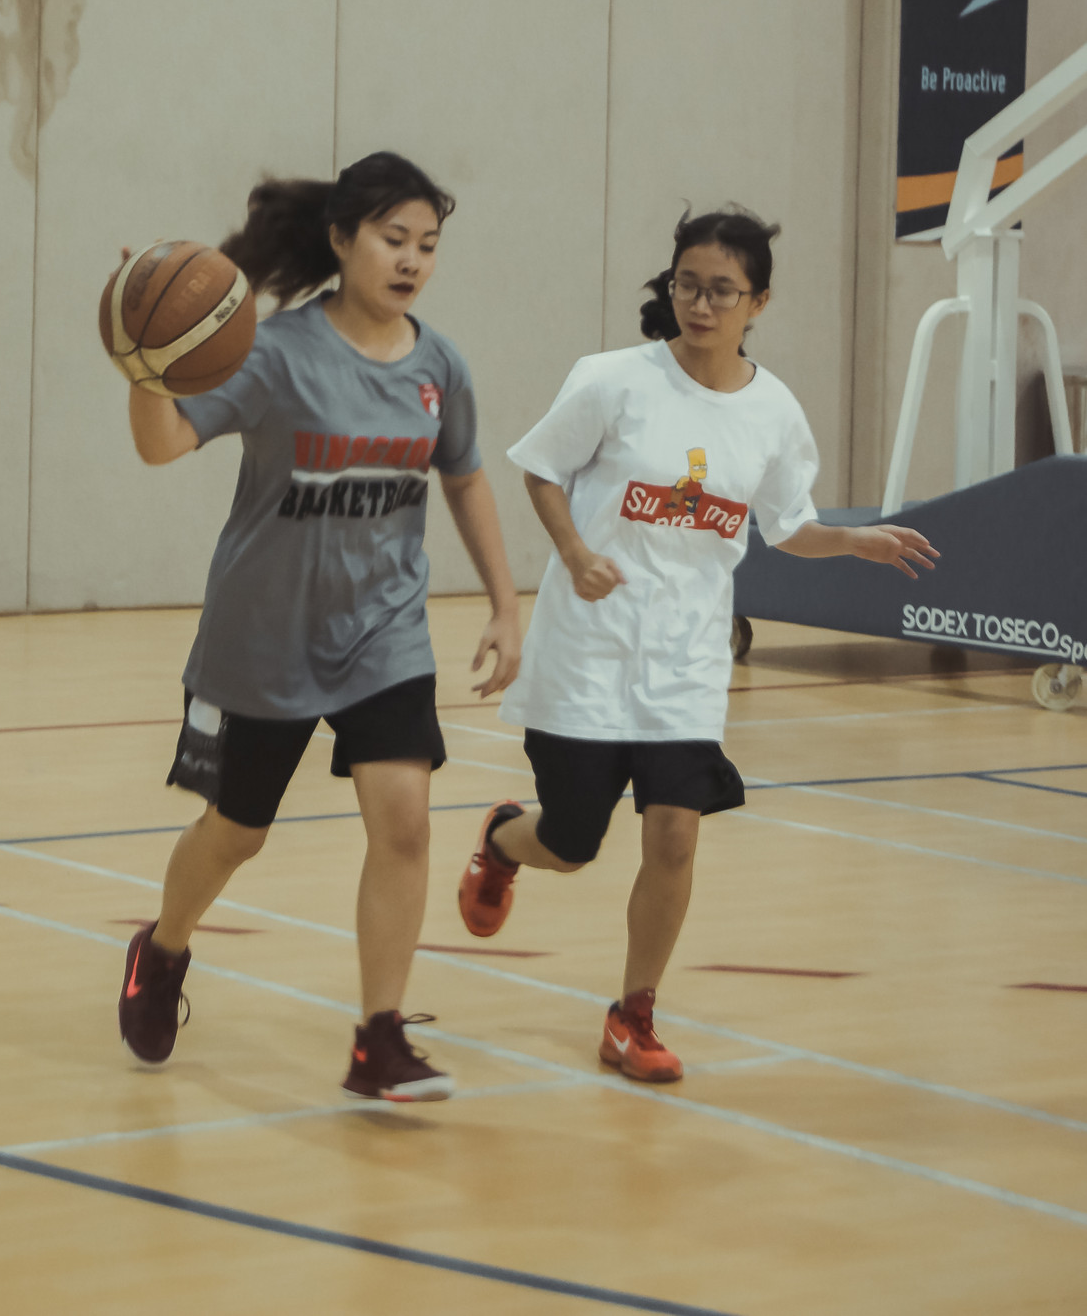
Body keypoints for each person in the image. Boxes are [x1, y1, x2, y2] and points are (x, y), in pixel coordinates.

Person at [456, 205, 937, 1084]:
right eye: (687, 285)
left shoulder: (774, 411)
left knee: (674, 835)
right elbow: (541, 469)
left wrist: (853, 540)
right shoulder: (613, 380)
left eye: (722, 290)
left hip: (686, 663)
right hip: (588, 652)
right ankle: (502, 840)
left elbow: (785, 524)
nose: (702, 304)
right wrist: (575, 553)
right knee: (572, 841)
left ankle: (632, 1015)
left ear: (759, 301)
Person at [117, 151, 521, 1102]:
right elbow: (162, 443)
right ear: (341, 240)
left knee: (406, 822)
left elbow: (465, 476)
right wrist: (144, 366)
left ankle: (379, 1038)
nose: (412, 259)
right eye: (394, 238)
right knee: (235, 832)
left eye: (428, 243)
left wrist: (507, 604)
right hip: (266, 637)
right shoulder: (274, 352)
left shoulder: (439, 365)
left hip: (383, 632)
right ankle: (162, 948)